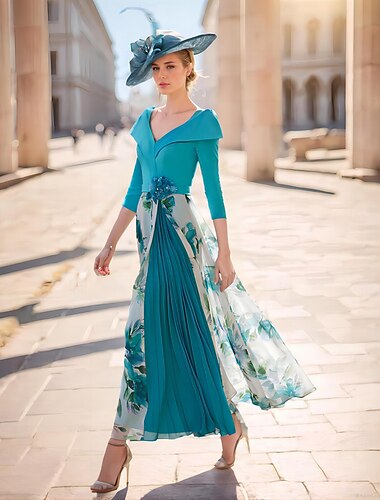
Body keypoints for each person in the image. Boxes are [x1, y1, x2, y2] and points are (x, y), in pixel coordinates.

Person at [90, 30, 317, 494]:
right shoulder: (144, 122)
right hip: (150, 243)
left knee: (194, 334)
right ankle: (121, 441)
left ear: (189, 68)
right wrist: (110, 242)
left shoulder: (202, 123)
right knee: (141, 337)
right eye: (156, 68)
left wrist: (226, 254)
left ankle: (226, 422)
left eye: (170, 66)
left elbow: (213, 193)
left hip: (185, 238)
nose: (162, 75)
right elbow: (134, 189)